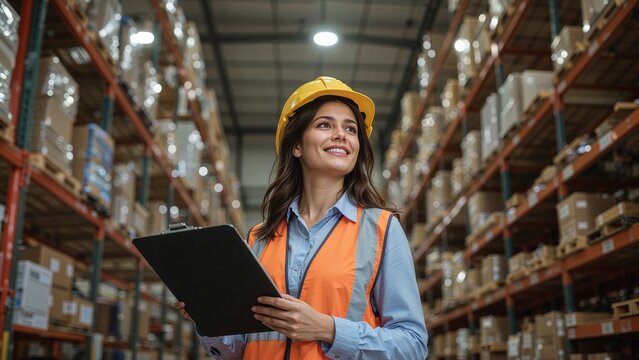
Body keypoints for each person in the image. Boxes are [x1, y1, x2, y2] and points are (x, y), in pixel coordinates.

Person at [176, 76, 428, 359]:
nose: (341, 135)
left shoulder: (381, 230)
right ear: (296, 146)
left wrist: (328, 329)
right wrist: (207, 317)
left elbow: (413, 346)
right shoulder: (259, 237)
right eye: (325, 125)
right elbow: (237, 350)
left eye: (351, 129)